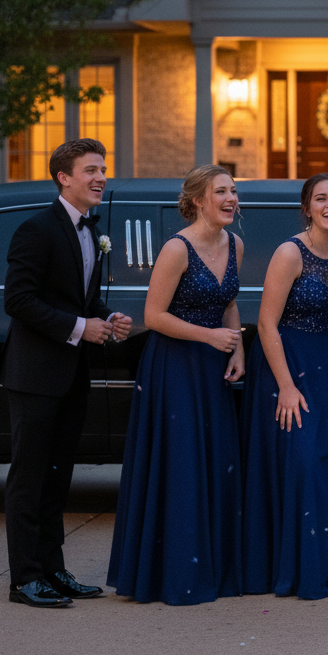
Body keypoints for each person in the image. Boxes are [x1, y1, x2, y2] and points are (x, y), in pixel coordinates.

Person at [0, 139, 133, 608]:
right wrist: (80, 326)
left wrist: (106, 318)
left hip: (72, 373)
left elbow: (79, 299)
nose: (101, 177)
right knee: (29, 477)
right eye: (91, 169)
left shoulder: (91, 232)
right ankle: (25, 579)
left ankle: (53, 570)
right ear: (64, 177)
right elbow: (18, 300)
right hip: (34, 375)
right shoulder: (35, 230)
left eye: (103, 169)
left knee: (58, 476)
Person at [107, 166, 245, 605]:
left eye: (233, 191)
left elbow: (228, 301)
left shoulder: (235, 244)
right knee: (183, 465)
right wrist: (210, 338)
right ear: (198, 200)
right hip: (175, 368)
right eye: (220, 191)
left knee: (217, 461)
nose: (230, 198)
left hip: (215, 367)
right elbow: (154, 317)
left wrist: (238, 348)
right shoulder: (176, 248)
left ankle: (214, 568)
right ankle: (173, 573)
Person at [242, 173, 328, 599]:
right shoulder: (289, 253)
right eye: (321, 198)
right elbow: (265, 323)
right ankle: (297, 570)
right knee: (302, 462)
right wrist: (285, 386)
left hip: (324, 362)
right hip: (285, 361)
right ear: (307, 207)